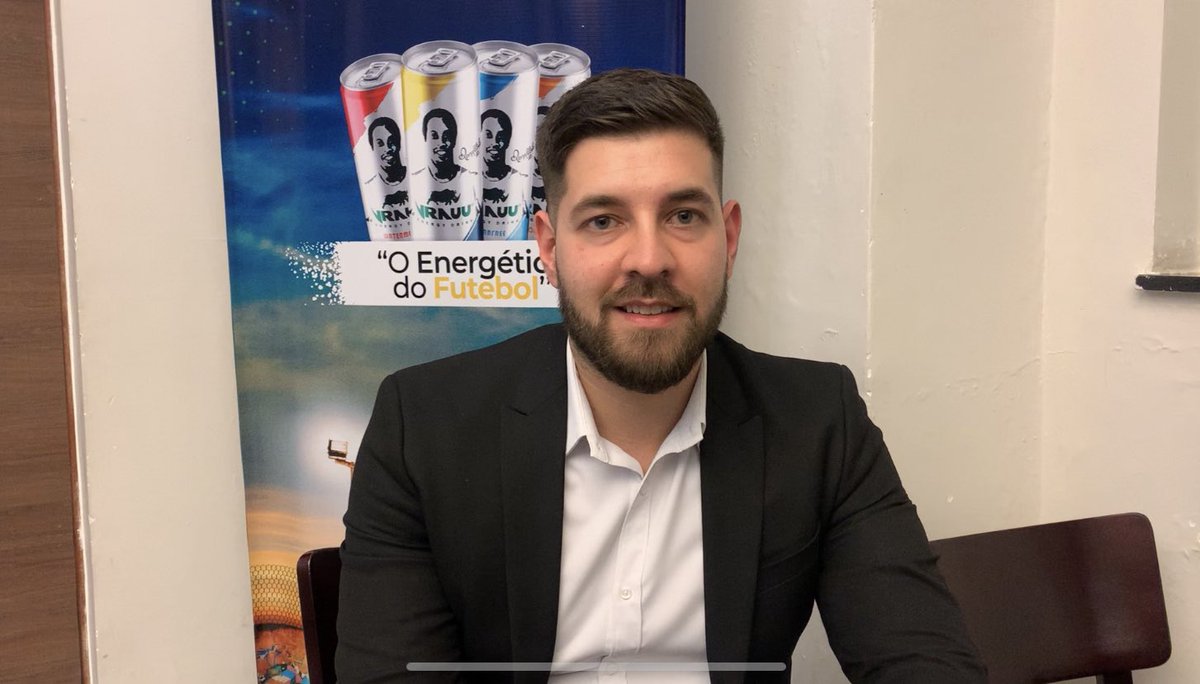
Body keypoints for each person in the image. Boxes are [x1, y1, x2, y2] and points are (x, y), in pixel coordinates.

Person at [337, 68, 986, 683]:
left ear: (729, 239)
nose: (649, 260)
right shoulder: (422, 426)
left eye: (683, 216)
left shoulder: (819, 422)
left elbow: (926, 663)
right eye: (603, 220)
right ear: (550, 249)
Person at [367, 116, 407, 208]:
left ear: (399, 144)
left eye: (391, 142)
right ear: (372, 148)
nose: (387, 149)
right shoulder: (369, 187)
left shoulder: (417, 178)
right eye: (380, 143)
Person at [423, 108, 467, 183]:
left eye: (446, 136)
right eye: (434, 136)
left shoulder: (470, 178)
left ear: (454, 139)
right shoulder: (416, 180)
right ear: (425, 139)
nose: (441, 143)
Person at [481, 108, 517, 182]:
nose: (494, 142)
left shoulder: (520, 179)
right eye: (488, 135)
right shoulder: (469, 178)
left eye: (500, 136)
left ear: (508, 140)